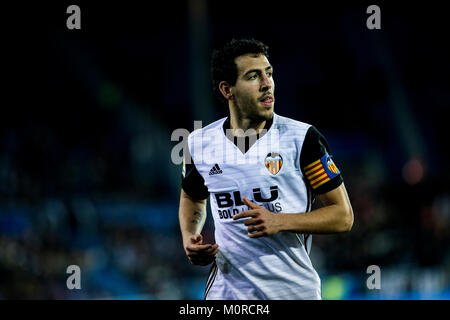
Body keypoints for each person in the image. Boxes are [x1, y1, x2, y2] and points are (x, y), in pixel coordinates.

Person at [178, 38, 353, 300]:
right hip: (226, 295)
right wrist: (190, 236)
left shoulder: (302, 139)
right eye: (253, 76)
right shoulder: (199, 143)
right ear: (228, 89)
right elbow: (192, 196)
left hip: (293, 292)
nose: (266, 83)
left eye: (268, 73)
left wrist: (279, 221)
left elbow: (343, 216)